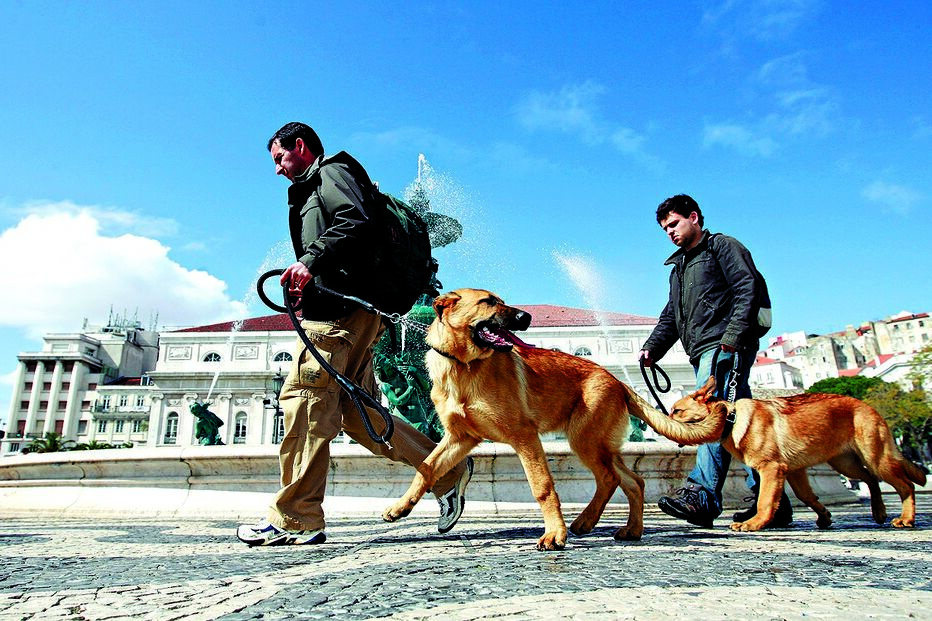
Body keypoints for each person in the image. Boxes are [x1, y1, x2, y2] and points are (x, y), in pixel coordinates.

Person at [237, 122, 473, 546]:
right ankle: (446, 470)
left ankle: (296, 517)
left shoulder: (331, 172)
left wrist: (309, 262)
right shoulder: (321, 183)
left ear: (300, 146)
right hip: (355, 311)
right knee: (358, 414)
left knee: (306, 403)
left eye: (279, 158)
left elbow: (354, 219)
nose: (277, 169)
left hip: (338, 315)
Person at [639, 194, 792, 528]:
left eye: (674, 224)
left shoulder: (722, 246)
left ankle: (702, 494)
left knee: (712, 418)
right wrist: (653, 348)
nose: (670, 232)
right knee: (741, 424)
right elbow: (672, 315)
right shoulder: (679, 268)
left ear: (694, 217)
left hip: (724, 345)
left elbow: (747, 287)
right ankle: (772, 501)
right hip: (703, 350)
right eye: (665, 229)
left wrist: (733, 337)